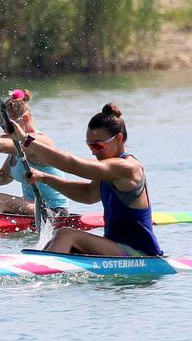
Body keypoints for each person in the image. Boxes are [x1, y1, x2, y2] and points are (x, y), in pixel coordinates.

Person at [8, 102, 163, 257]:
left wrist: (25, 140)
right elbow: (88, 194)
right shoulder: (108, 171)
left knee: (66, 235)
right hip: (116, 248)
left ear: (119, 139)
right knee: (56, 239)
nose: (94, 153)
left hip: (140, 253)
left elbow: (72, 165)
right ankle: (35, 267)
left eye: (98, 146)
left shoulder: (128, 168)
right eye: (90, 146)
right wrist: (45, 178)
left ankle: (40, 272)